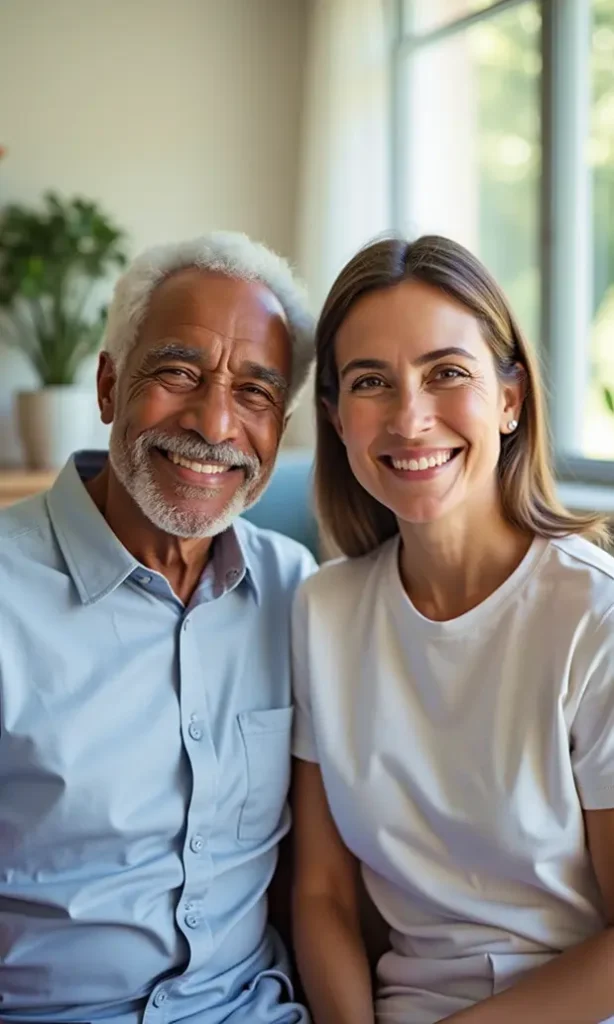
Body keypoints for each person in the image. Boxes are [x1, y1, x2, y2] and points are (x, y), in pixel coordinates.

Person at [291, 234, 614, 1024]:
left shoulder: (594, 617)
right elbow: (322, 893)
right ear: (336, 421)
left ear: (510, 399)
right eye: (372, 383)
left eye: (448, 373)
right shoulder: (322, 611)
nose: (410, 416)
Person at [0, 232, 317, 1024]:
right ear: (108, 386)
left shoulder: (299, 594)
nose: (214, 422)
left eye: (255, 392)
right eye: (179, 372)